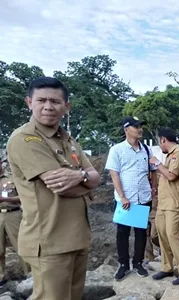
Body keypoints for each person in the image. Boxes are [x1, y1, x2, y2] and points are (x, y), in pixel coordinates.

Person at [6, 77, 101, 300]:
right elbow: (61, 187)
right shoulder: (25, 139)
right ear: (29, 102)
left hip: (76, 237)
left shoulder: (68, 140)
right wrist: (87, 182)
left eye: (55, 101)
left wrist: (81, 176)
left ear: (66, 107)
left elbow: (95, 177)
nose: (48, 106)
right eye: (41, 100)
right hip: (49, 242)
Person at [105, 117, 158, 281]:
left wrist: (154, 188)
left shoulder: (147, 150)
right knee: (123, 233)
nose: (139, 129)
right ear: (126, 129)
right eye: (135, 126)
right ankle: (123, 265)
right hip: (125, 199)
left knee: (141, 232)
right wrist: (122, 196)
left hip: (142, 197)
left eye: (140, 126)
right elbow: (114, 174)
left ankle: (138, 263)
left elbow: (153, 169)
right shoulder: (117, 150)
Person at [149, 127, 179, 285]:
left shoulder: (178, 154)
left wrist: (157, 164)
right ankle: (167, 267)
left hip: (174, 203)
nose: (159, 146)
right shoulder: (170, 155)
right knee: (161, 234)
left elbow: (171, 175)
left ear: (163, 139)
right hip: (163, 202)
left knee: (173, 235)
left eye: (159, 142)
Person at [0, 155, 29, 286]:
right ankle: (1, 276)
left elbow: (24, 196)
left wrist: (6, 200)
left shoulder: (12, 177)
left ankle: (29, 274)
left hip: (13, 214)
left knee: (21, 246)